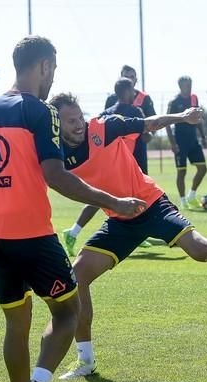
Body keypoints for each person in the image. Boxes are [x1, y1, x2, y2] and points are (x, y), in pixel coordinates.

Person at [0, 36, 144, 382]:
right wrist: (115, 202)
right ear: (46, 66)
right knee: (67, 313)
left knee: (16, 325)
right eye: (54, 71)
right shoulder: (41, 111)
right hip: (32, 234)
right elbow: (56, 176)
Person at [47, 93, 207, 379]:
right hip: (119, 220)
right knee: (78, 276)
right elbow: (28, 173)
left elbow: (149, 123)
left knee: (202, 251)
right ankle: (86, 361)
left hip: (151, 204)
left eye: (79, 116)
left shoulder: (103, 128)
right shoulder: (53, 152)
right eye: (70, 121)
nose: (78, 124)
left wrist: (182, 117)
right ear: (57, 124)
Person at [61, 77, 152, 256]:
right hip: (127, 160)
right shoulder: (135, 110)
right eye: (132, 90)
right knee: (124, 195)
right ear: (127, 92)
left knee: (102, 197)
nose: (134, 94)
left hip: (109, 160)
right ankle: (141, 229)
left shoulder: (107, 112)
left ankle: (74, 232)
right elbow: (146, 135)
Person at [166, 76, 207, 210]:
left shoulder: (194, 98)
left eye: (190, 85)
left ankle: (191, 195)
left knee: (203, 169)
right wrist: (173, 143)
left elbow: (198, 119)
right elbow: (166, 123)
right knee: (181, 172)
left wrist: (203, 136)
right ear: (180, 86)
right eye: (186, 85)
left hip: (193, 140)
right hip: (180, 141)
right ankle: (183, 201)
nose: (189, 88)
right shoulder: (174, 102)